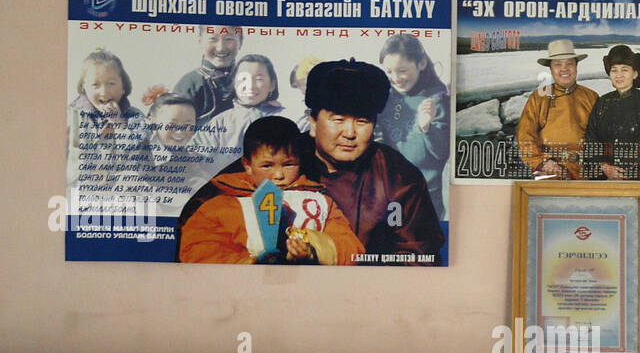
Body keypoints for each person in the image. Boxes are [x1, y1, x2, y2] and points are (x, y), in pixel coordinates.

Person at [299, 59, 445, 263]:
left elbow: (421, 255)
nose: (349, 133)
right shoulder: (278, 162)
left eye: (362, 121)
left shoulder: (399, 176)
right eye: (338, 119)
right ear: (313, 123)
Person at [177, 115, 362, 265]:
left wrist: (313, 251)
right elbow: (198, 250)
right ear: (247, 165)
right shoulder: (221, 206)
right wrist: (248, 264)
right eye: (267, 166)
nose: (279, 175)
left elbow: (350, 246)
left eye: (289, 164)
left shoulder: (321, 202)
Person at [376, 34, 451, 221]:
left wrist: (426, 127)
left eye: (402, 70)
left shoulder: (437, 100)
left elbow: (442, 153)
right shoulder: (385, 97)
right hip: (392, 191)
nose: (396, 78)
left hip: (426, 192)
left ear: (421, 64)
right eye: (389, 72)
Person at [515, 39, 599, 180]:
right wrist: (544, 162)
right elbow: (525, 138)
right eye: (558, 64)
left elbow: (602, 138)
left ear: (576, 67)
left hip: (586, 170)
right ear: (551, 69)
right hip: (549, 171)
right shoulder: (539, 97)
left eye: (569, 64)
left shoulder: (591, 97)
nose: (564, 69)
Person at [66, 48, 145, 188]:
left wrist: (119, 125)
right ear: (84, 86)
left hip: (119, 193)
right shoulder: (71, 115)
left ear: (124, 86)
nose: (104, 91)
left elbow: (137, 156)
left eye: (111, 84)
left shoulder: (135, 117)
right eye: (95, 85)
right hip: (79, 192)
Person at [583, 45, 640, 180]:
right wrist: (605, 167)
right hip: (604, 175)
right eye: (614, 70)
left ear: (635, 73)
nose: (618, 75)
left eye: (624, 70)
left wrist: (622, 173)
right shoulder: (602, 102)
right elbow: (591, 140)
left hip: (636, 176)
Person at [196, 54, 286, 156]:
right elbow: (195, 158)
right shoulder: (219, 123)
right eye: (243, 78)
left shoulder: (288, 117)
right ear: (234, 83)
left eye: (259, 79)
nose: (250, 86)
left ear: (272, 85)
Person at [174, 27, 243, 125]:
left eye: (229, 39)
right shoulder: (190, 83)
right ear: (200, 41)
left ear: (241, 42)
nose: (221, 48)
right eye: (213, 39)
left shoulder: (249, 80)